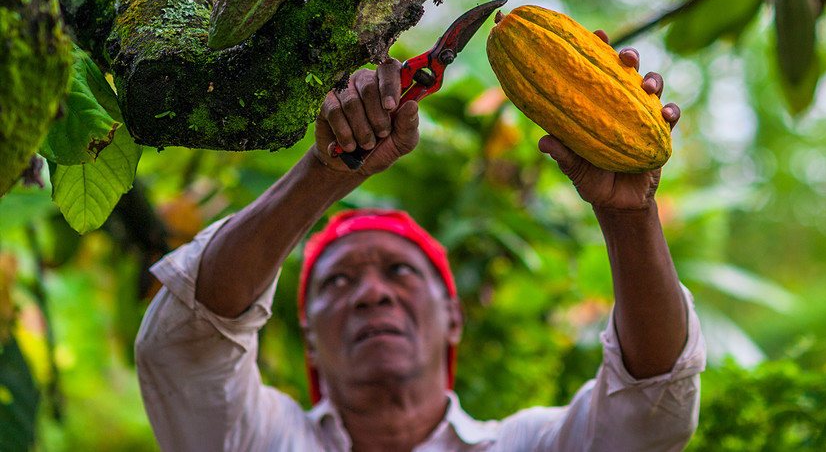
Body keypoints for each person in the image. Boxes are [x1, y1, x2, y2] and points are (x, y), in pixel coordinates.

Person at [135, 36, 706, 451]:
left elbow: (651, 408)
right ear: (308, 338)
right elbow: (187, 341)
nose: (372, 295)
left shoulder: (527, 446)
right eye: (338, 281)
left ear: (453, 317)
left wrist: (628, 215)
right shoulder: (257, 440)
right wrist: (326, 172)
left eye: (401, 272)